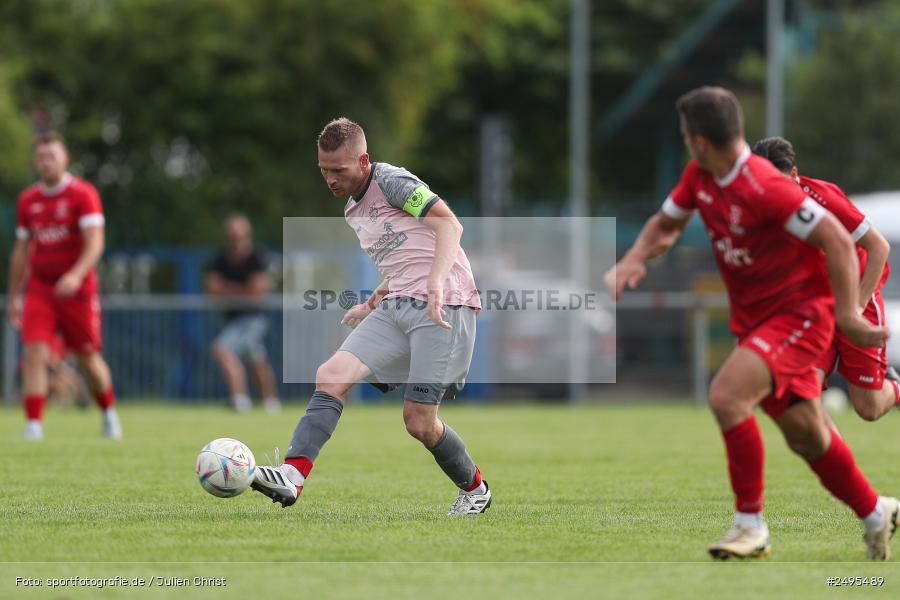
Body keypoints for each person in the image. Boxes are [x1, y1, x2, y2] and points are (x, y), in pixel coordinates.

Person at [604, 87, 897, 560]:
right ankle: (876, 514)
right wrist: (633, 259)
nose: (685, 143)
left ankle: (750, 526)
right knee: (807, 433)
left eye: (685, 135)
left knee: (726, 395)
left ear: (699, 140)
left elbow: (840, 242)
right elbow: (666, 223)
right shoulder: (701, 176)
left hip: (801, 316)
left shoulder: (766, 187)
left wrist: (849, 314)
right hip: (758, 322)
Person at [250, 117, 490, 515]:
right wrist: (373, 300)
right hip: (398, 304)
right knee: (331, 375)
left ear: (364, 161)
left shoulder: (393, 183)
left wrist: (435, 282)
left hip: (444, 304)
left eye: (338, 170)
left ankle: (476, 490)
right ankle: (292, 477)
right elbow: (407, 258)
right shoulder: (352, 208)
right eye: (324, 170)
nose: (330, 179)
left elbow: (450, 226)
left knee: (419, 422)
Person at [751, 136, 900, 421]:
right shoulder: (760, 207)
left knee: (868, 407)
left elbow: (879, 247)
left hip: (856, 294)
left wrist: (856, 309)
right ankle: (829, 451)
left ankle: (895, 387)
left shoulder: (823, 199)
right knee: (803, 395)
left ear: (794, 174)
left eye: (779, 182)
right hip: (817, 306)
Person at [7, 132, 121, 441]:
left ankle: (108, 413)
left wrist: (76, 274)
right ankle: (33, 426)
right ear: (36, 161)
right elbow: (21, 250)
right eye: (41, 157)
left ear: (65, 158)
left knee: (87, 357)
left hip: (78, 290)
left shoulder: (83, 194)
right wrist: (14, 295)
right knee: (34, 353)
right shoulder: (28, 200)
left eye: (52, 156)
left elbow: (95, 243)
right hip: (41, 288)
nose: (47, 162)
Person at [205, 214, 280, 413]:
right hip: (234, 319)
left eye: (239, 236)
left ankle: (240, 399)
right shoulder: (221, 258)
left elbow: (256, 294)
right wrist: (241, 290)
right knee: (256, 358)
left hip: (254, 319)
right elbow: (212, 289)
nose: (235, 240)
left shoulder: (256, 258)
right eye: (232, 236)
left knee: (222, 349)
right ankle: (271, 402)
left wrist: (226, 289)